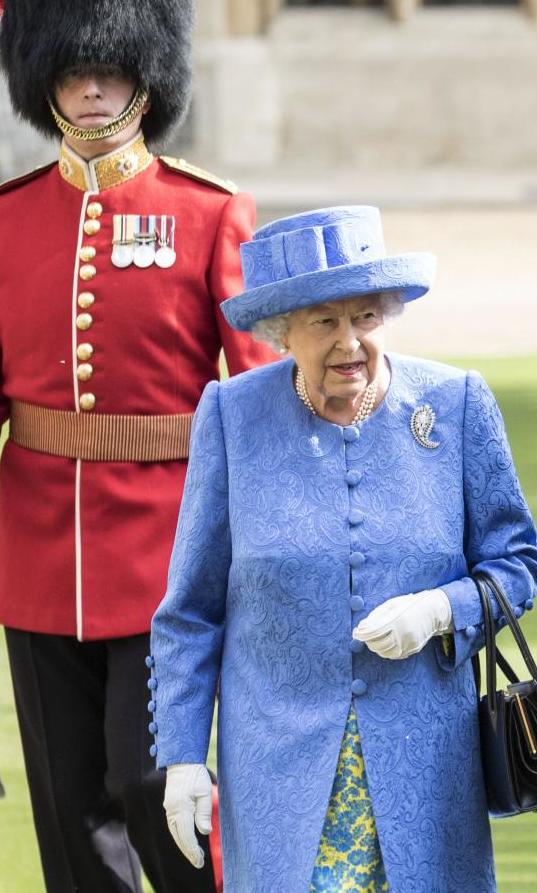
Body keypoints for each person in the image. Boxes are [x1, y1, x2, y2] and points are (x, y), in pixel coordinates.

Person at [148, 205, 537, 891]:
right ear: (281, 332)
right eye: (324, 322)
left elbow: (517, 563)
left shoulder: (455, 404)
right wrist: (183, 756)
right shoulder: (231, 415)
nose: (350, 342)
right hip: (279, 767)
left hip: (426, 764)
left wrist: (439, 609)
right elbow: (191, 612)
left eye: (365, 316)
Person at [0, 1, 274, 889]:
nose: (87, 86)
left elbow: (263, 388)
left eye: (108, 70)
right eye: (73, 70)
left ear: (146, 78)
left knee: (158, 786)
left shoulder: (208, 213)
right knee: (69, 809)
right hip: (36, 554)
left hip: (171, 557)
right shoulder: (8, 219)